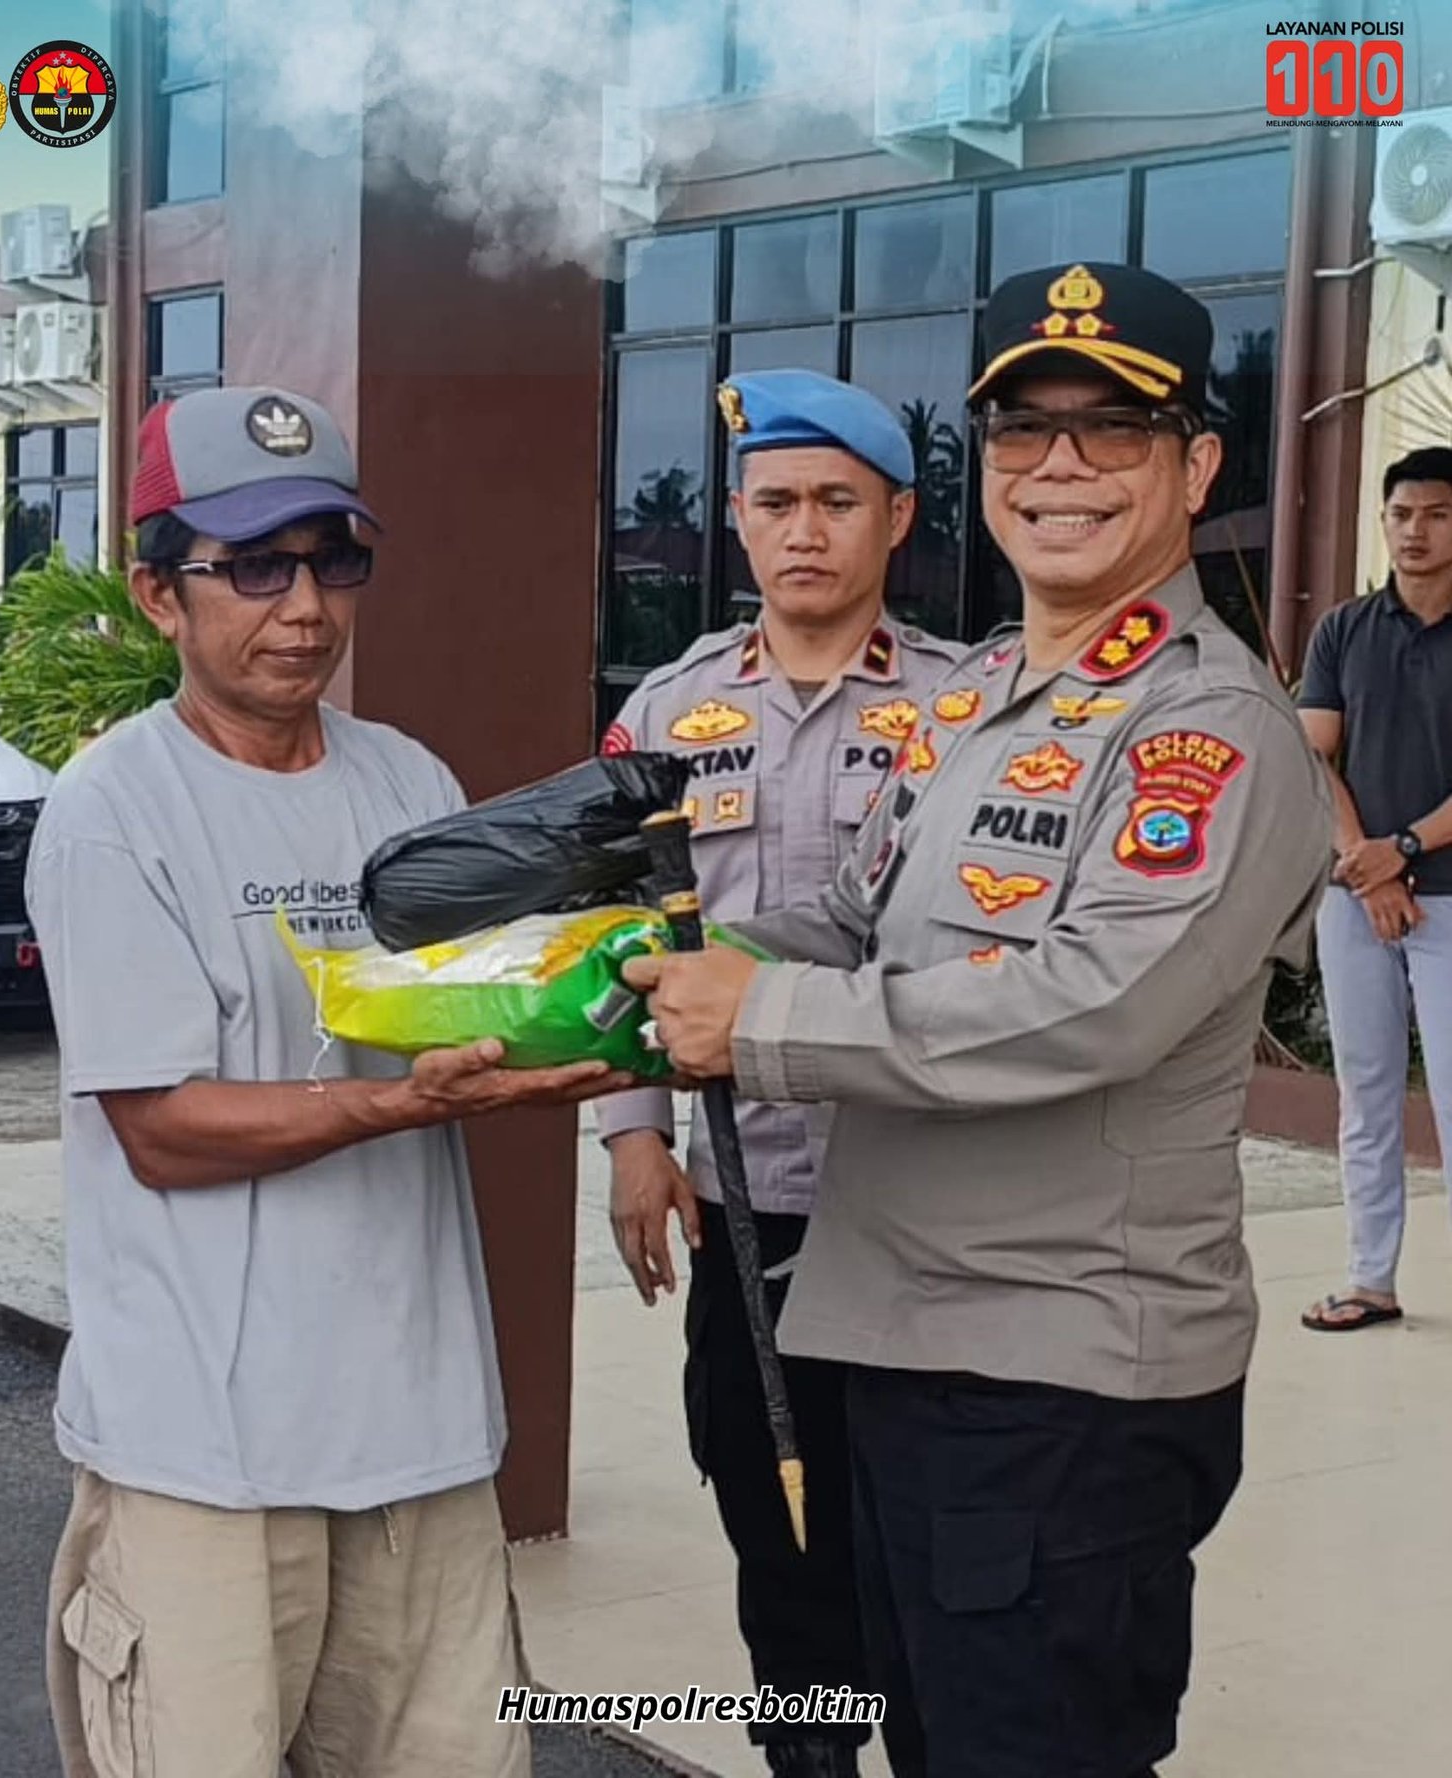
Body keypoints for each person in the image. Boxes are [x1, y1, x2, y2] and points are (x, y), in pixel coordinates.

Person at [623, 263, 1333, 1777]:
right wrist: (627, 973)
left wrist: (757, 1019)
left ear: (1196, 465)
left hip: (1060, 1382)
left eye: (1112, 427)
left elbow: (1094, 1003)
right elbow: (851, 925)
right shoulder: (985, 697)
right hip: (910, 1345)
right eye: (1023, 427)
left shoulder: (1206, 726)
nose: (1059, 463)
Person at [30, 385, 630, 1778]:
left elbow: (480, 1014)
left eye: (331, 558)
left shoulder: (406, 779)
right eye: (252, 565)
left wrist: (592, 1030)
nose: (301, 605)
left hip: (420, 1435)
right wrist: (409, 1102)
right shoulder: (114, 813)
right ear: (157, 594)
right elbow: (163, 1127)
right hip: (205, 1460)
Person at [599, 368, 961, 1778]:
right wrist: (635, 1137)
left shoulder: (963, 703)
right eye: (775, 504)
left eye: (836, 502)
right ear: (739, 522)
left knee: (923, 1535)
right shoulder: (667, 715)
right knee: (774, 1519)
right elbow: (619, 940)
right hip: (750, 1196)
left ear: (898, 518)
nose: (803, 531)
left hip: (923, 1201)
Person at [1298, 446, 1452, 1332]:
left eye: (1434, 514)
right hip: (1356, 900)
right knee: (1366, 1092)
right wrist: (1363, 863)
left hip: (1448, 896)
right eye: (1401, 515)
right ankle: (1370, 1280)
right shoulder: (1343, 630)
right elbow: (1316, 753)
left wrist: (1401, 849)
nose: (1414, 531)